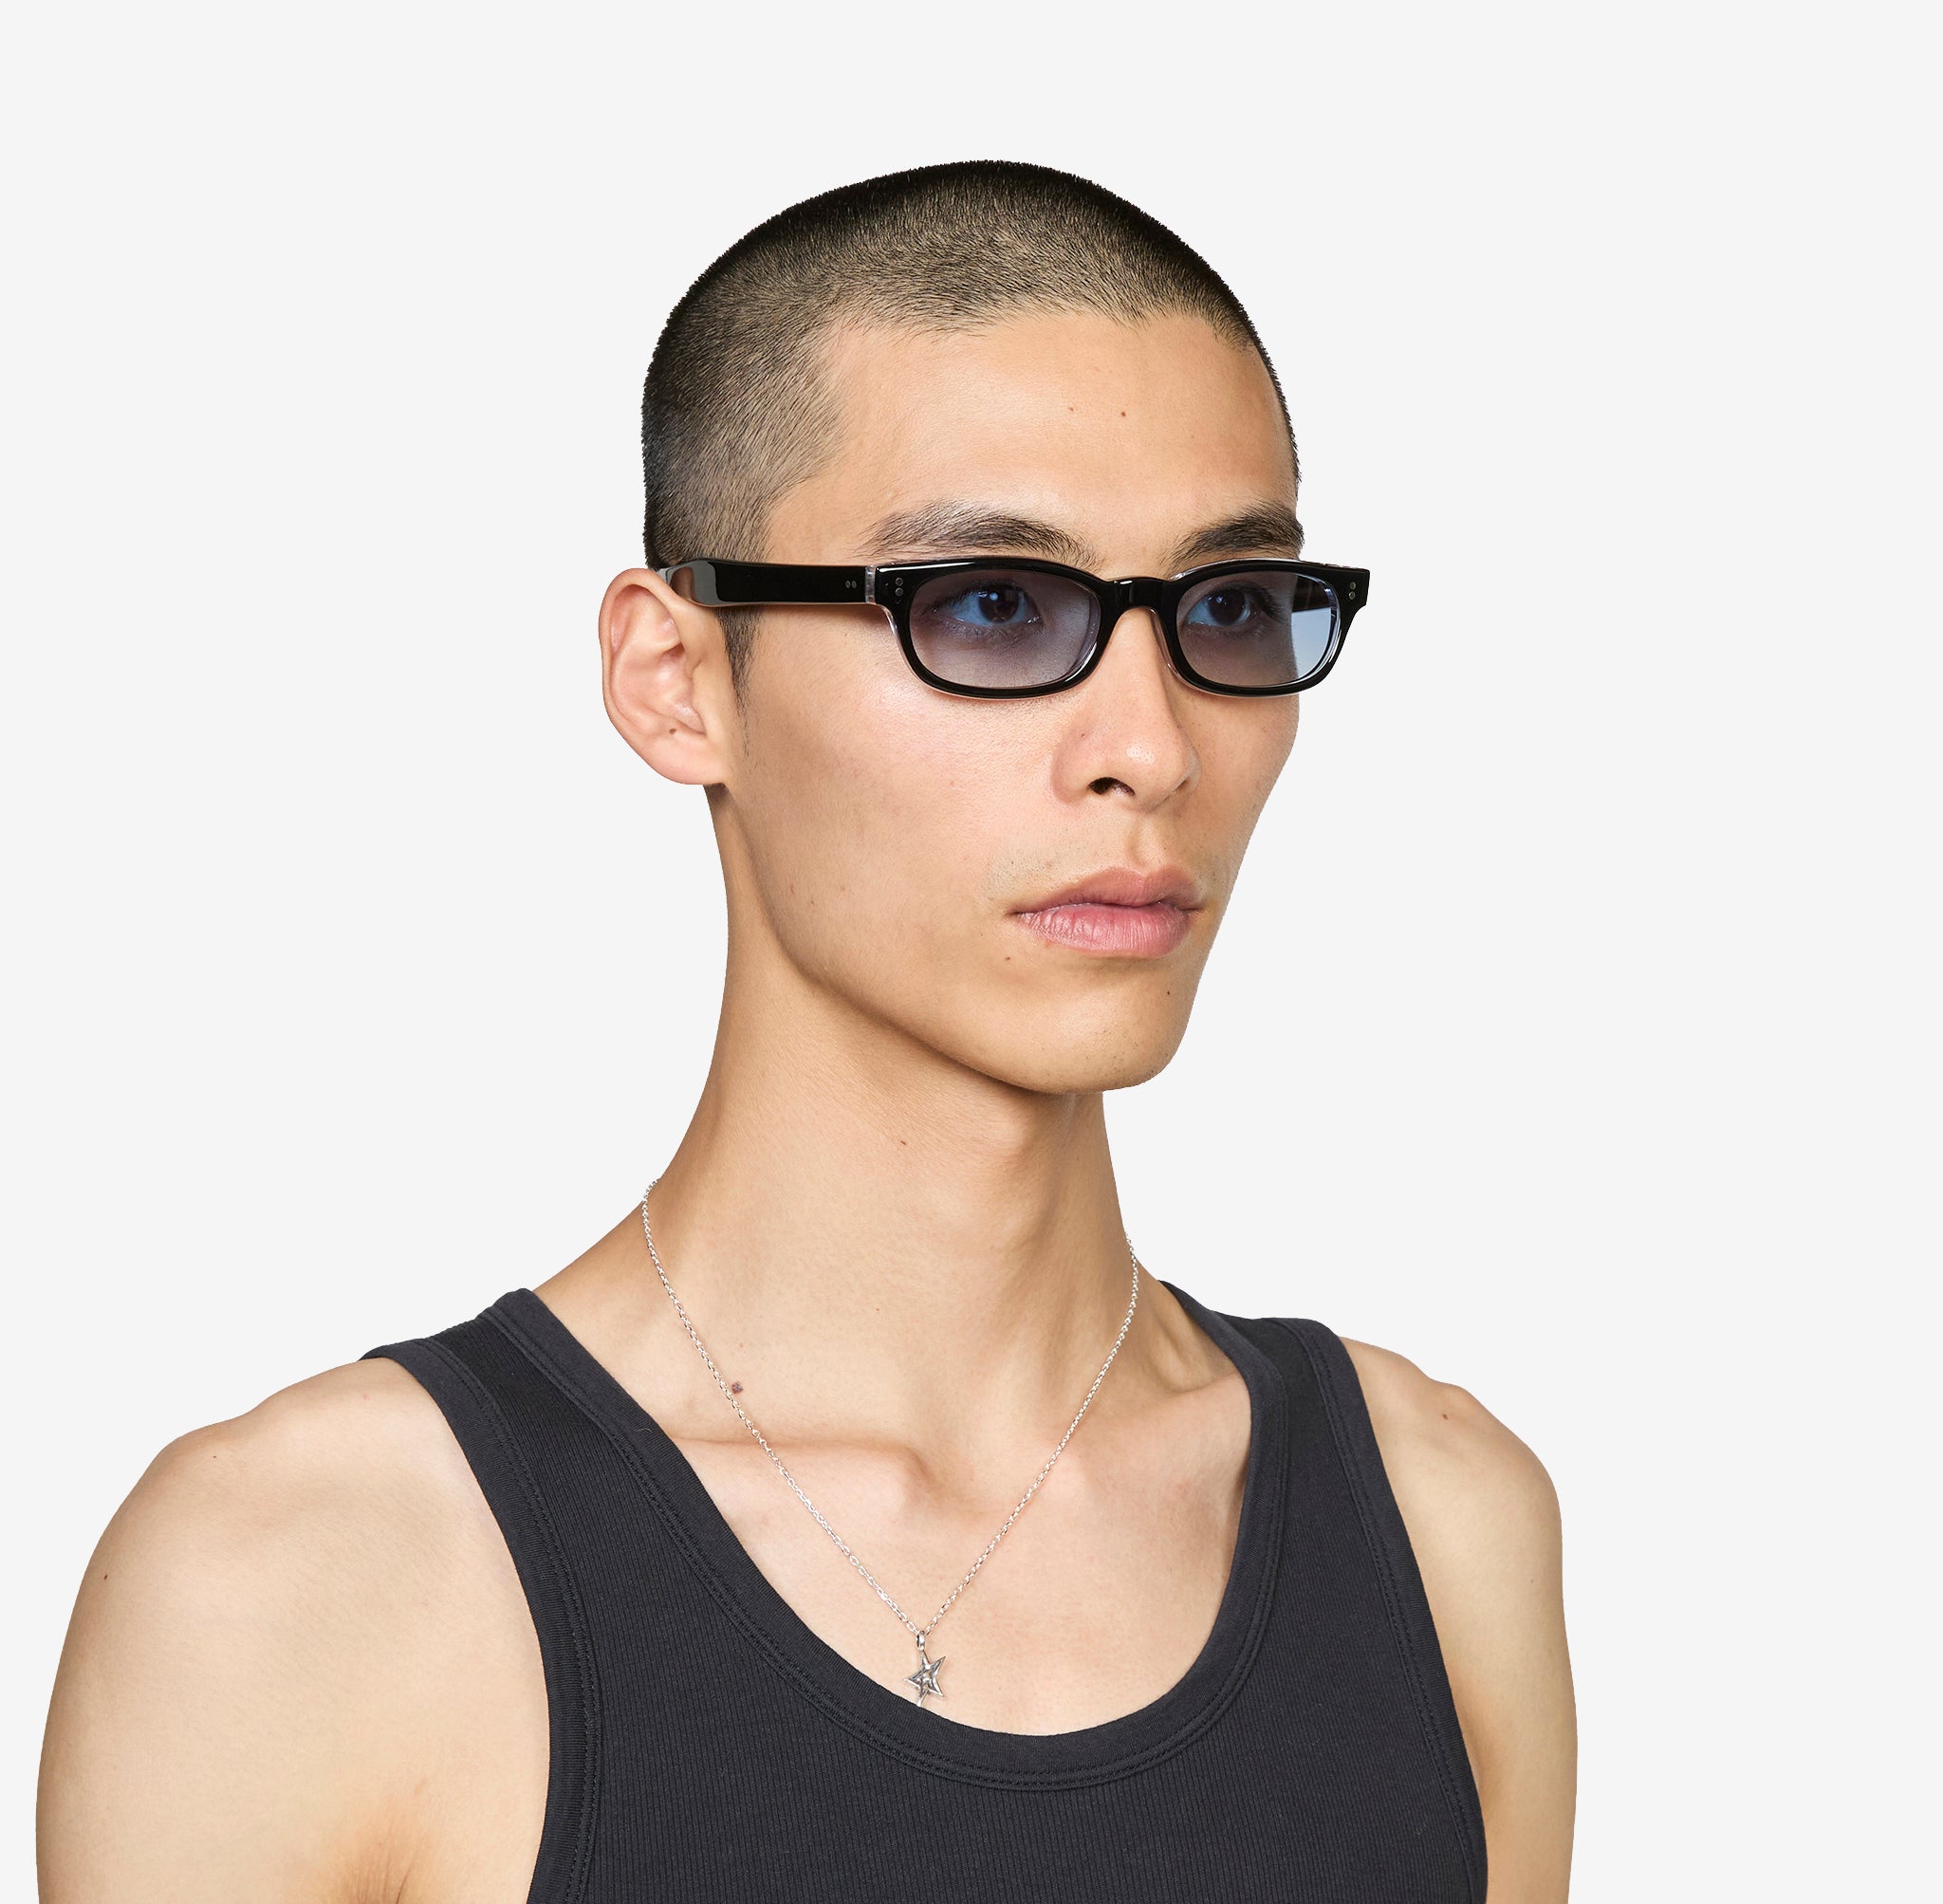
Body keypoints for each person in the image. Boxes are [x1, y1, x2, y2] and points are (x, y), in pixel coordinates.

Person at [38, 159, 1575, 1901]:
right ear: (677, 680)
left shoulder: (1442, 1524)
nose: (1151, 748)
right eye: (993, 606)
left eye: (1225, 609)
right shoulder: (307, 1581)